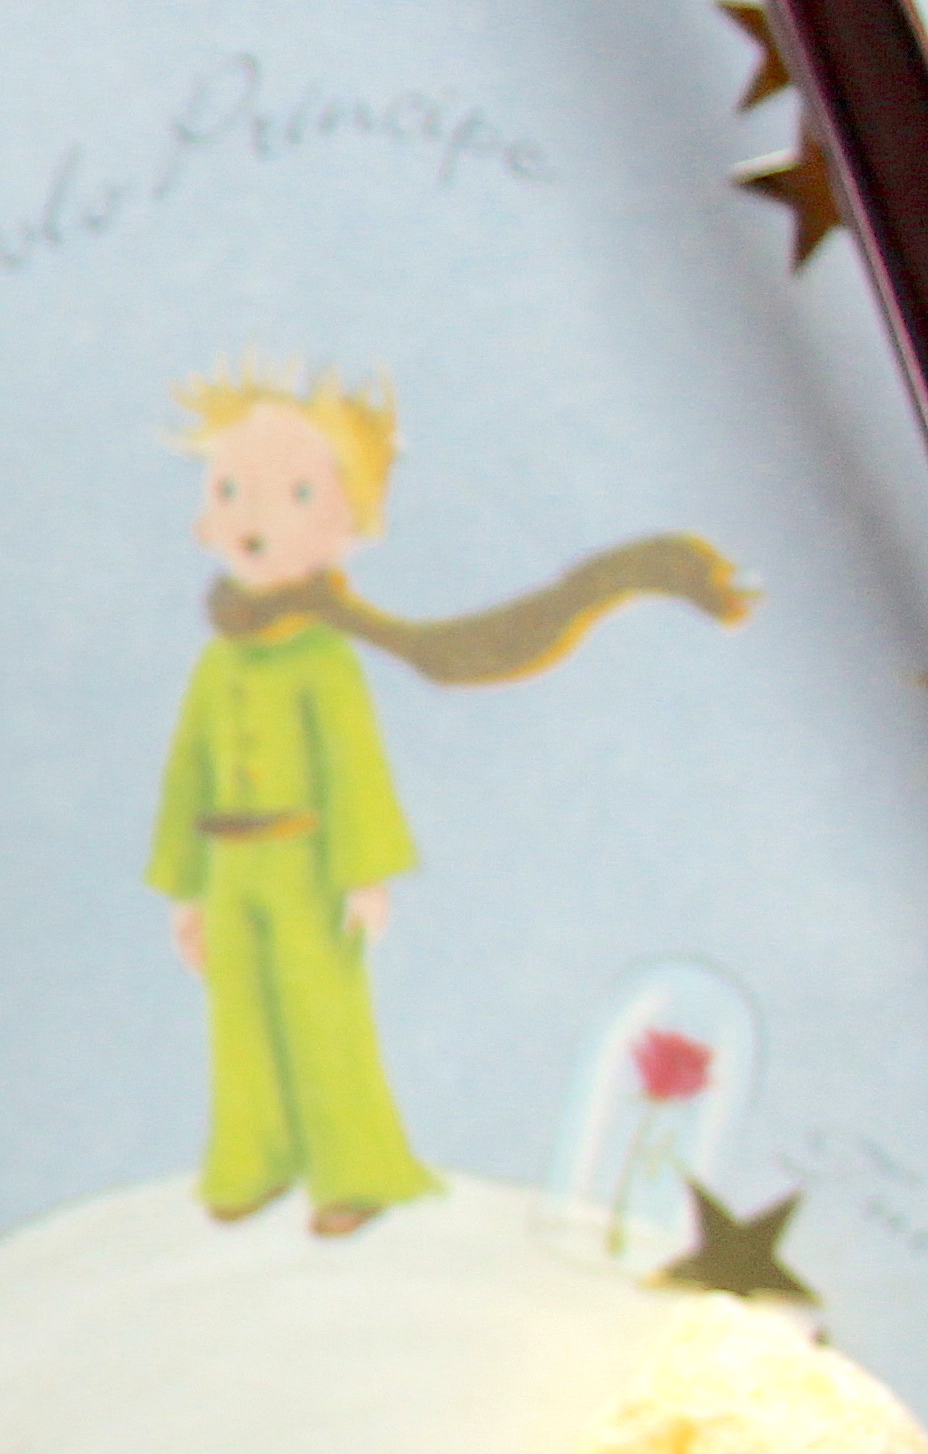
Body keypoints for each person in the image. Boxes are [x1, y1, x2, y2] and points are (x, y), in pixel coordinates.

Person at [150, 370, 748, 1235]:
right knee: (238, 1016)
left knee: (323, 1013)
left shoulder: (322, 655)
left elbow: (353, 771)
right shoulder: (221, 661)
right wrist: (185, 888)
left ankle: (353, 1171)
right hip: (229, 866)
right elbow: (186, 774)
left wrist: (364, 875)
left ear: (347, 524)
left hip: (307, 859)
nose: (253, 515)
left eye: (296, 493)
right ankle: (252, 1157)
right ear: (206, 514)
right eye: (231, 490)